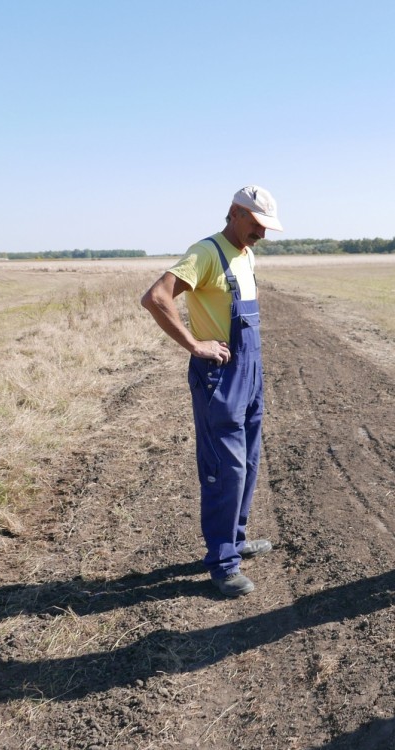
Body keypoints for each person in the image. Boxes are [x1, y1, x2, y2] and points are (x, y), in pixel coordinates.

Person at [140, 185, 283, 598]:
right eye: (257, 225)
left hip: (250, 371)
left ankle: (235, 542)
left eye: (265, 227)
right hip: (219, 376)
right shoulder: (206, 253)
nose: (262, 235)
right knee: (227, 468)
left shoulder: (246, 253)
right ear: (235, 212)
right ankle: (222, 564)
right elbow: (156, 298)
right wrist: (194, 344)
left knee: (250, 462)